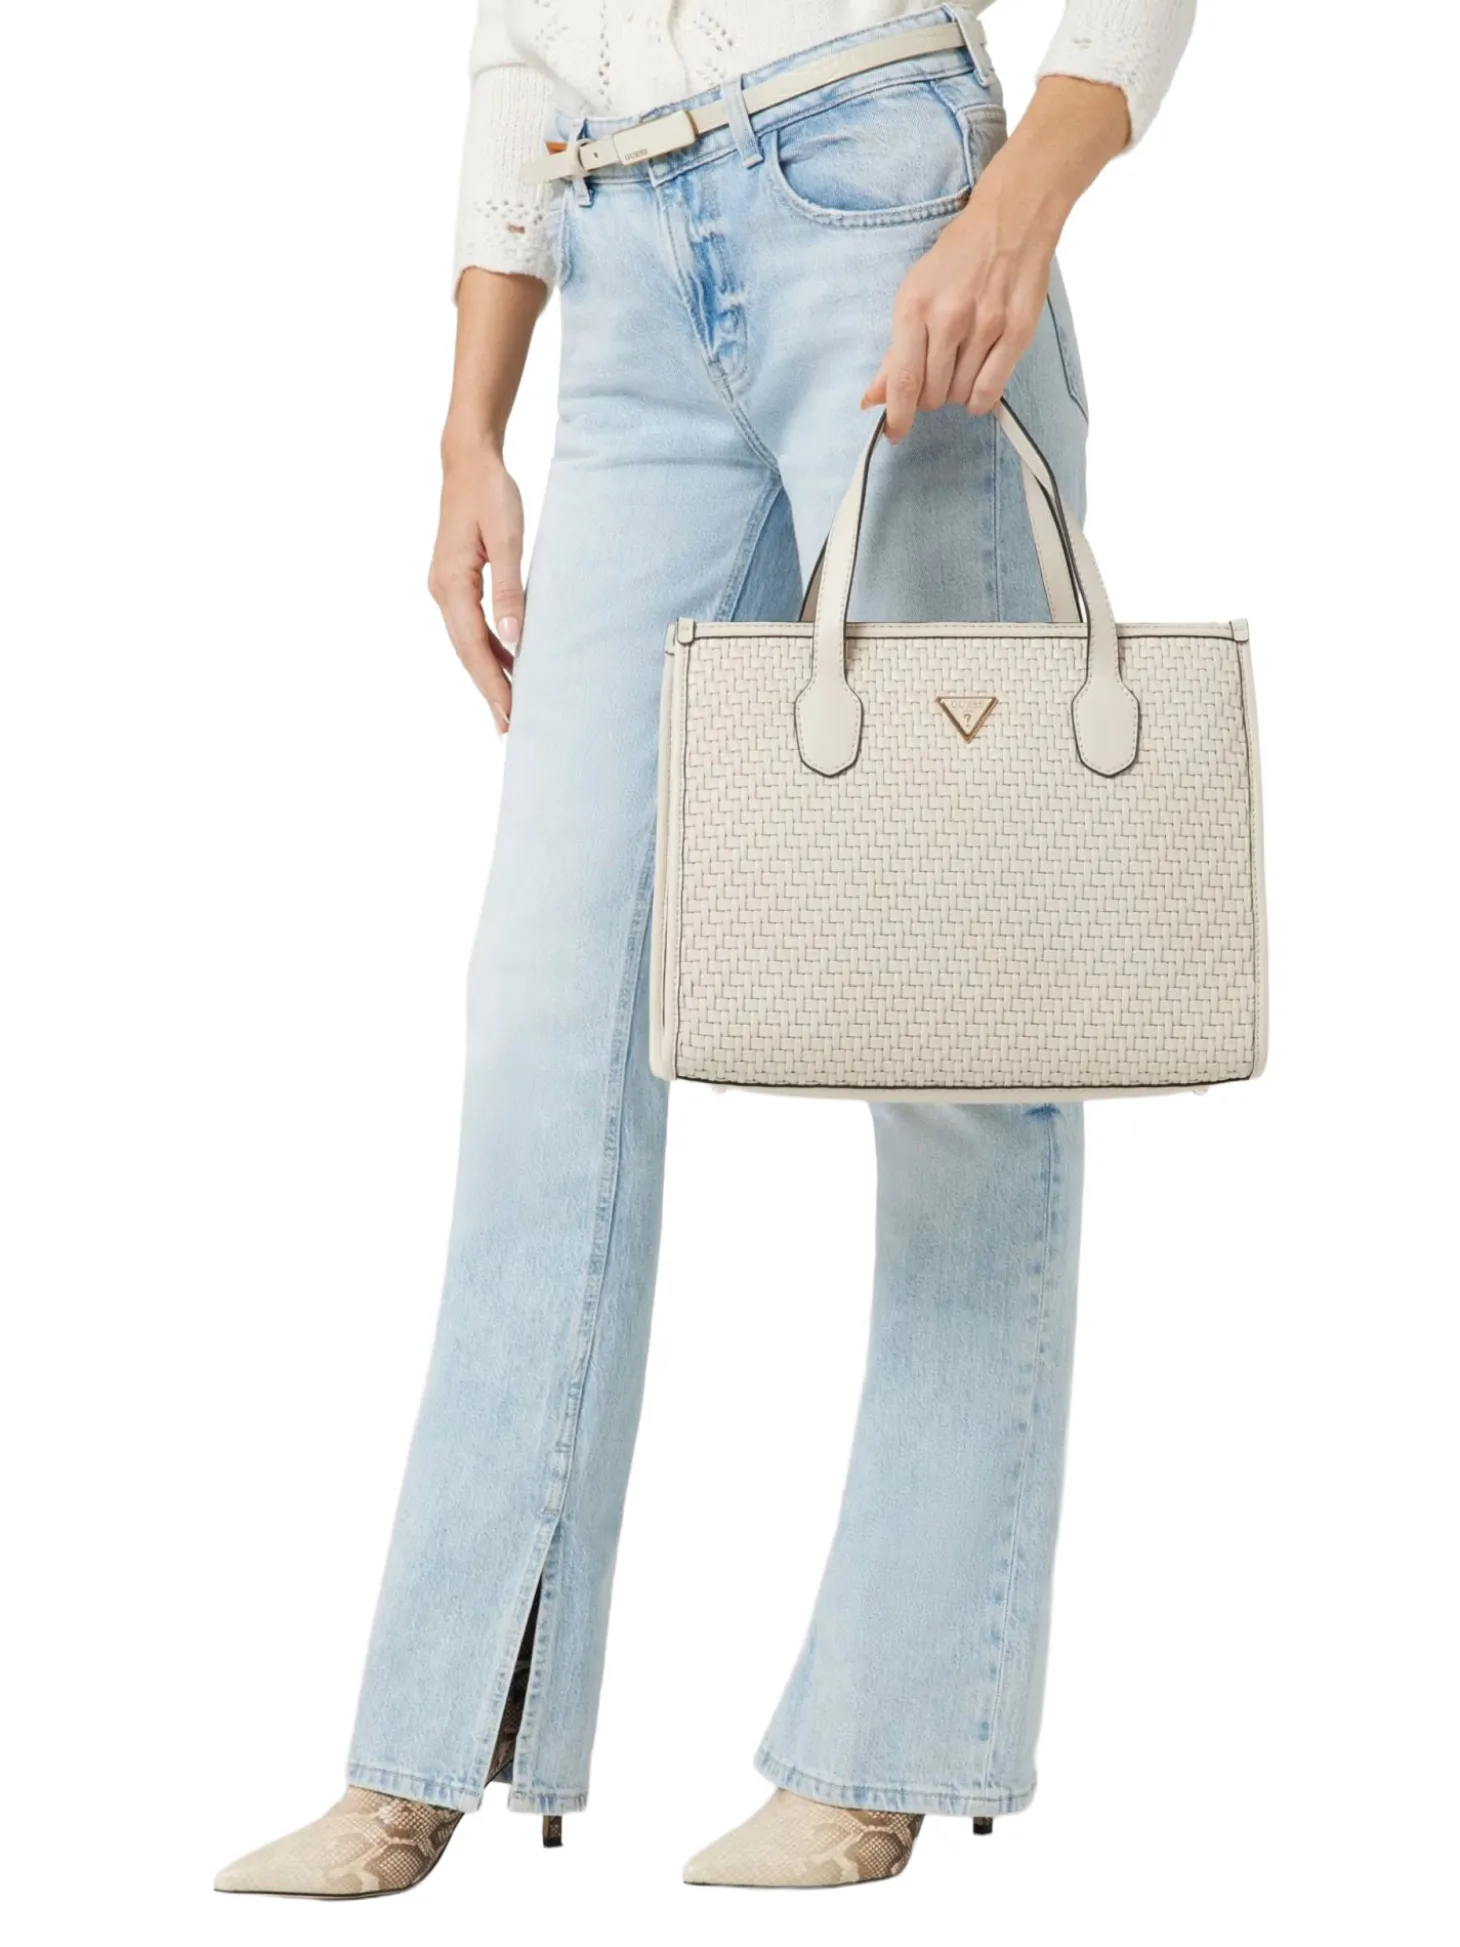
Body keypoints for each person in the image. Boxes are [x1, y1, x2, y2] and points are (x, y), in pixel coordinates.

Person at [215, 0, 1195, 1897]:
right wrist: (469, 426)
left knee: (958, 1026)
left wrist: (1022, 201)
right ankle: (442, 1736)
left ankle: (893, 1736)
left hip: (885, 207)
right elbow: (517, 42)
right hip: (621, 285)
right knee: (547, 1008)